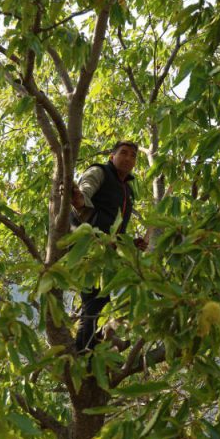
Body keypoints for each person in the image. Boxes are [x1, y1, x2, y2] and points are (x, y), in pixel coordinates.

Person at [71, 140, 148, 353]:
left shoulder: (126, 190)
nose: (128, 158)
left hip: (107, 252)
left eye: (133, 155)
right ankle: (82, 352)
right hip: (86, 247)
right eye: (123, 153)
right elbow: (85, 189)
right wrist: (79, 199)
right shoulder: (99, 172)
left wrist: (130, 243)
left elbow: (114, 227)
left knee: (105, 298)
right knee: (94, 301)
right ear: (112, 156)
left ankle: (95, 344)